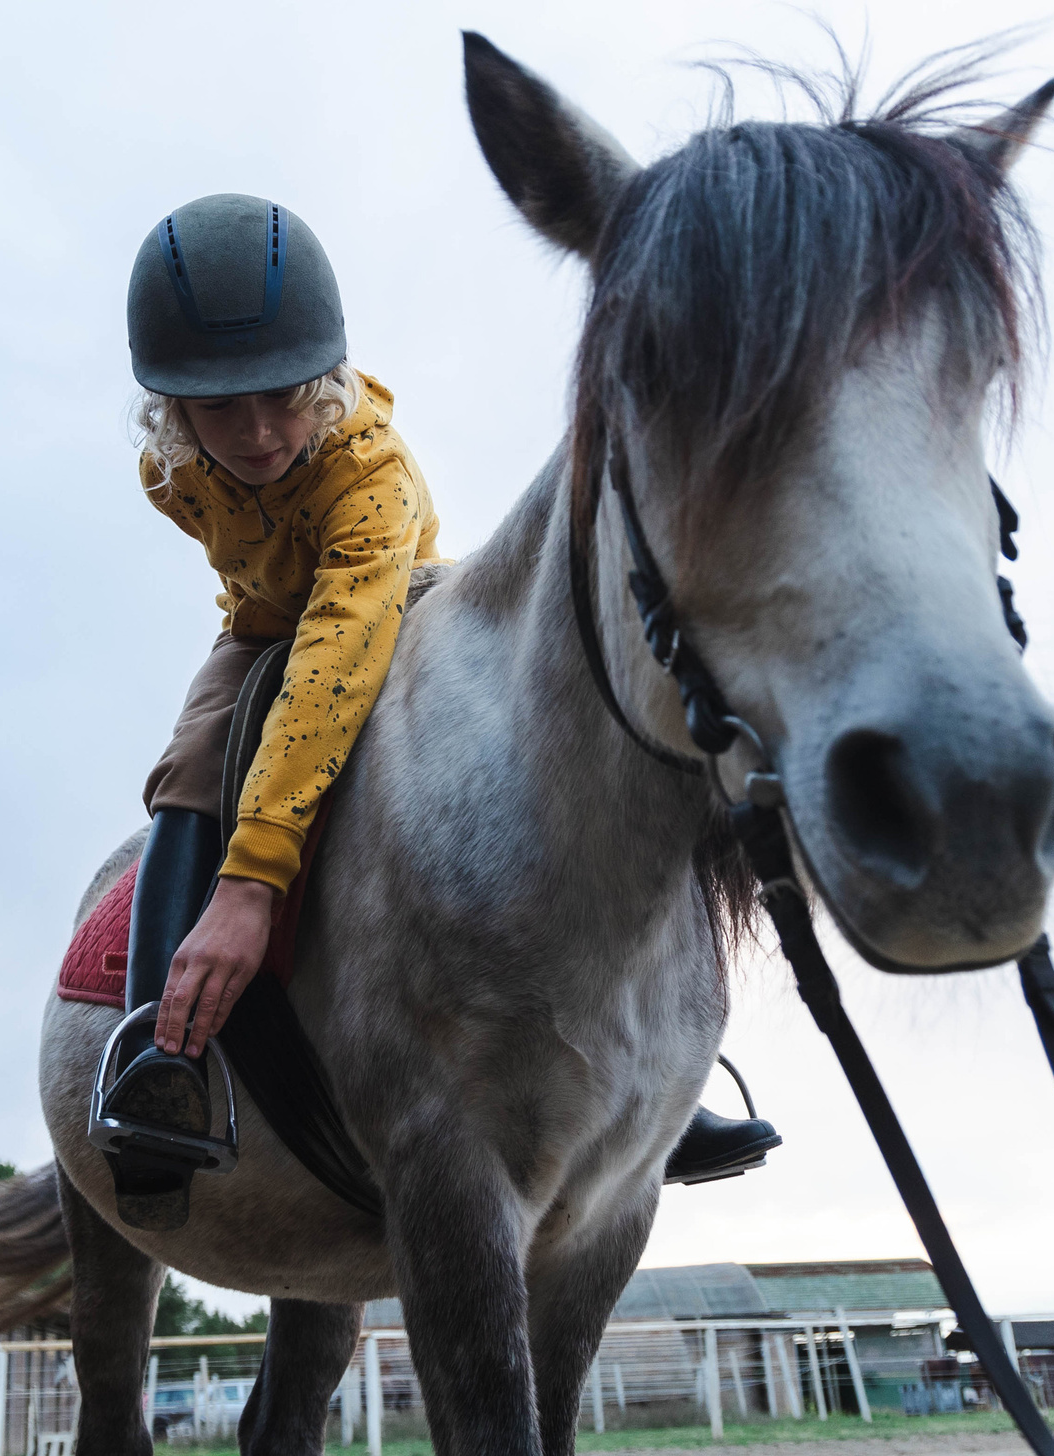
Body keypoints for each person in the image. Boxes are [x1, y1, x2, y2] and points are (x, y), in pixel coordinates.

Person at [98, 193, 780, 1225]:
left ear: (322, 377)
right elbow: (273, 620)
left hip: (391, 599)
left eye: (282, 395)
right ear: (170, 411)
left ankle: (653, 1073)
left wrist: (254, 881)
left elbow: (337, 654)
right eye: (217, 408)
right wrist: (245, 697)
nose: (258, 433)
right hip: (259, 631)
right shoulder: (169, 475)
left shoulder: (369, 474)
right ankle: (156, 1056)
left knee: (543, 748)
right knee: (188, 772)